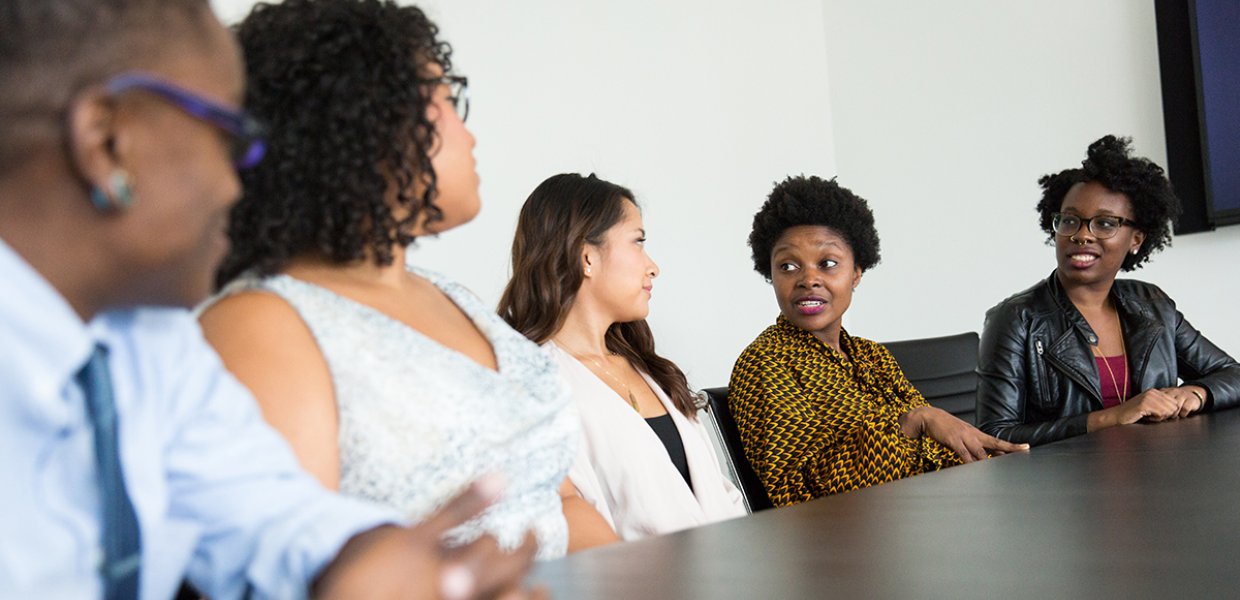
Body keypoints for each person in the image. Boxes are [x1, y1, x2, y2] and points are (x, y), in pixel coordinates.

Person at [0, 0, 543, 597]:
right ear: (106, 143)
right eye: (230, 138)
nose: (239, 182)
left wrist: (361, 561)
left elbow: (268, 514)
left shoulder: (150, 342)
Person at [198, 0, 616, 558]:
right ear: (365, 121)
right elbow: (293, 574)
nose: (469, 135)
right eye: (446, 98)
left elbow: (558, 503)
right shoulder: (261, 325)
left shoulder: (453, 297)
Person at [729, 175, 1026, 508]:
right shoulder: (765, 363)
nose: (808, 279)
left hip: (921, 513)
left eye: (828, 264)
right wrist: (912, 423)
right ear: (771, 275)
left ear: (856, 272)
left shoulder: (872, 355)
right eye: (788, 266)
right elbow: (797, 492)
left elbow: (932, 446)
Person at [498, 173, 747, 539]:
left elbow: (722, 497)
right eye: (638, 242)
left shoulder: (653, 370)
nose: (652, 266)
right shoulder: (533, 385)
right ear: (586, 257)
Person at [976, 135, 1240, 446]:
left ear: (1136, 239)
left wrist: (1197, 393)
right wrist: (1109, 418)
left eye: (1104, 224)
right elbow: (993, 437)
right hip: (1066, 488)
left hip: (1160, 474)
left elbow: (1231, 374)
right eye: (1070, 221)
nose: (1082, 235)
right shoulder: (1017, 319)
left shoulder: (1152, 305)